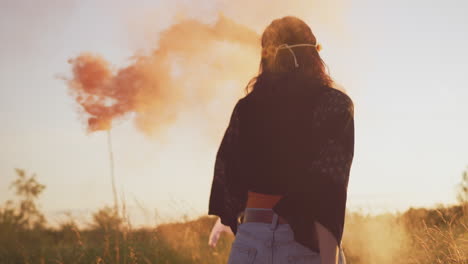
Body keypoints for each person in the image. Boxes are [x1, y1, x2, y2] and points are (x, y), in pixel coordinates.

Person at [207, 16, 354, 264]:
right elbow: (329, 188)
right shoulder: (334, 104)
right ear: (313, 55)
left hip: (249, 241)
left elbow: (229, 174)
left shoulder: (246, 107)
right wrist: (329, 259)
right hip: (301, 243)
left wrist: (229, 220)